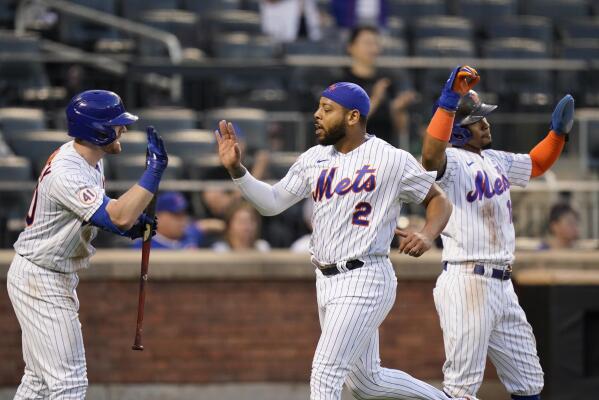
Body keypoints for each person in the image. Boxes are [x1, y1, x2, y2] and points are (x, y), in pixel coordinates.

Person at [215, 82, 474, 400]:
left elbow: (439, 200)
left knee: (325, 374)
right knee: (367, 383)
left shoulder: (389, 158)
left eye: (327, 109)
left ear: (353, 116)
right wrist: (238, 170)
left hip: (365, 275)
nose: (316, 115)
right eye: (318, 107)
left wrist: (428, 234)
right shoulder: (314, 158)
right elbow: (271, 203)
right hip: (326, 279)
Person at [421, 66, 575, 399]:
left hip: (502, 284)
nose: (485, 123)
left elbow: (535, 164)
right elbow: (431, 156)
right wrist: (448, 103)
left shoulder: (494, 158)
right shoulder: (452, 162)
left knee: (529, 380)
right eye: (477, 120)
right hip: (467, 280)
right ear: (459, 130)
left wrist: (557, 135)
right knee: (462, 387)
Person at [6, 90, 168, 399]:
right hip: (41, 278)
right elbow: (117, 217)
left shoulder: (89, 159)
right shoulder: (68, 171)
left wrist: (132, 224)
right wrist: (153, 172)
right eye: (116, 124)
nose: (123, 129)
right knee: (69, 384)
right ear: (98, 130)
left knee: (38, 383)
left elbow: (108, 215)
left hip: (46, 274)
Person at [341, 26, 417, 148]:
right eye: (367, 43)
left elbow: (401, 129)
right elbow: (346, 125)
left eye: (376, 43)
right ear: (351, 47)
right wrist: (375, 99)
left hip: (384, 152)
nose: (373, 48)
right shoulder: (343, 84)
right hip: (352, 152)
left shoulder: (387, 81)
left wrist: (397, 109)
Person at [132, 191, 223, 250]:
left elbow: (205, 225)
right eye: (176, 215)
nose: (182, 220)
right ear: (158, 217)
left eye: (183, 214)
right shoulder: (144, 246)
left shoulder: (188, 233)